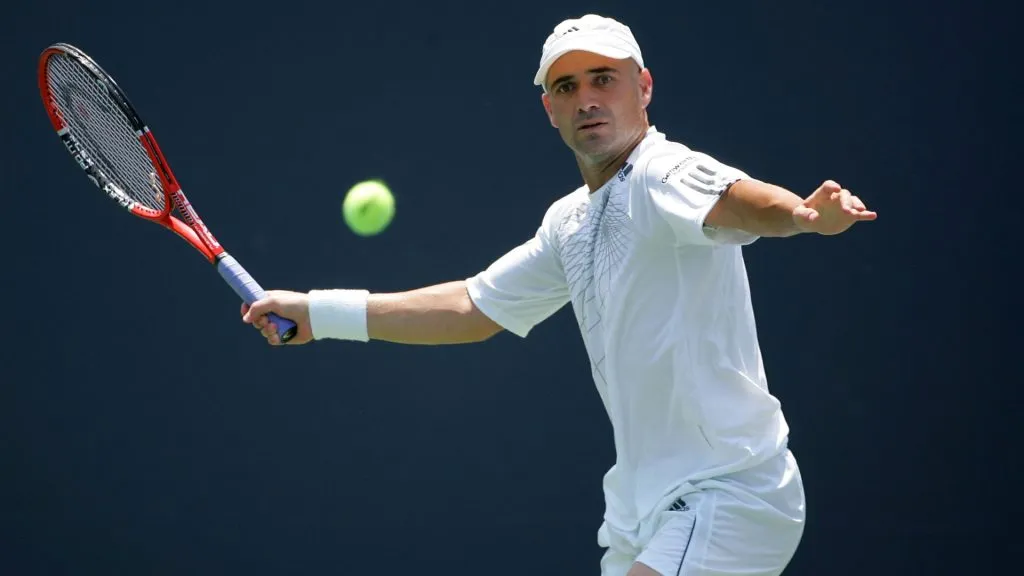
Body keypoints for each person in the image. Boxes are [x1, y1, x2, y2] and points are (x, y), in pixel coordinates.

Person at [242, 13, 876, 576]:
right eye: (567, 87)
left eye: (605, 78)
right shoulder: (569, 222)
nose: (587, 99)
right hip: (639, 511)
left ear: (644, 88)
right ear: (548, 107)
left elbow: (736, 199)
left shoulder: (662, 171)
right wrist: (317, 313)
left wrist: (799, 214)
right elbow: (471, 309)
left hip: (727, 493)